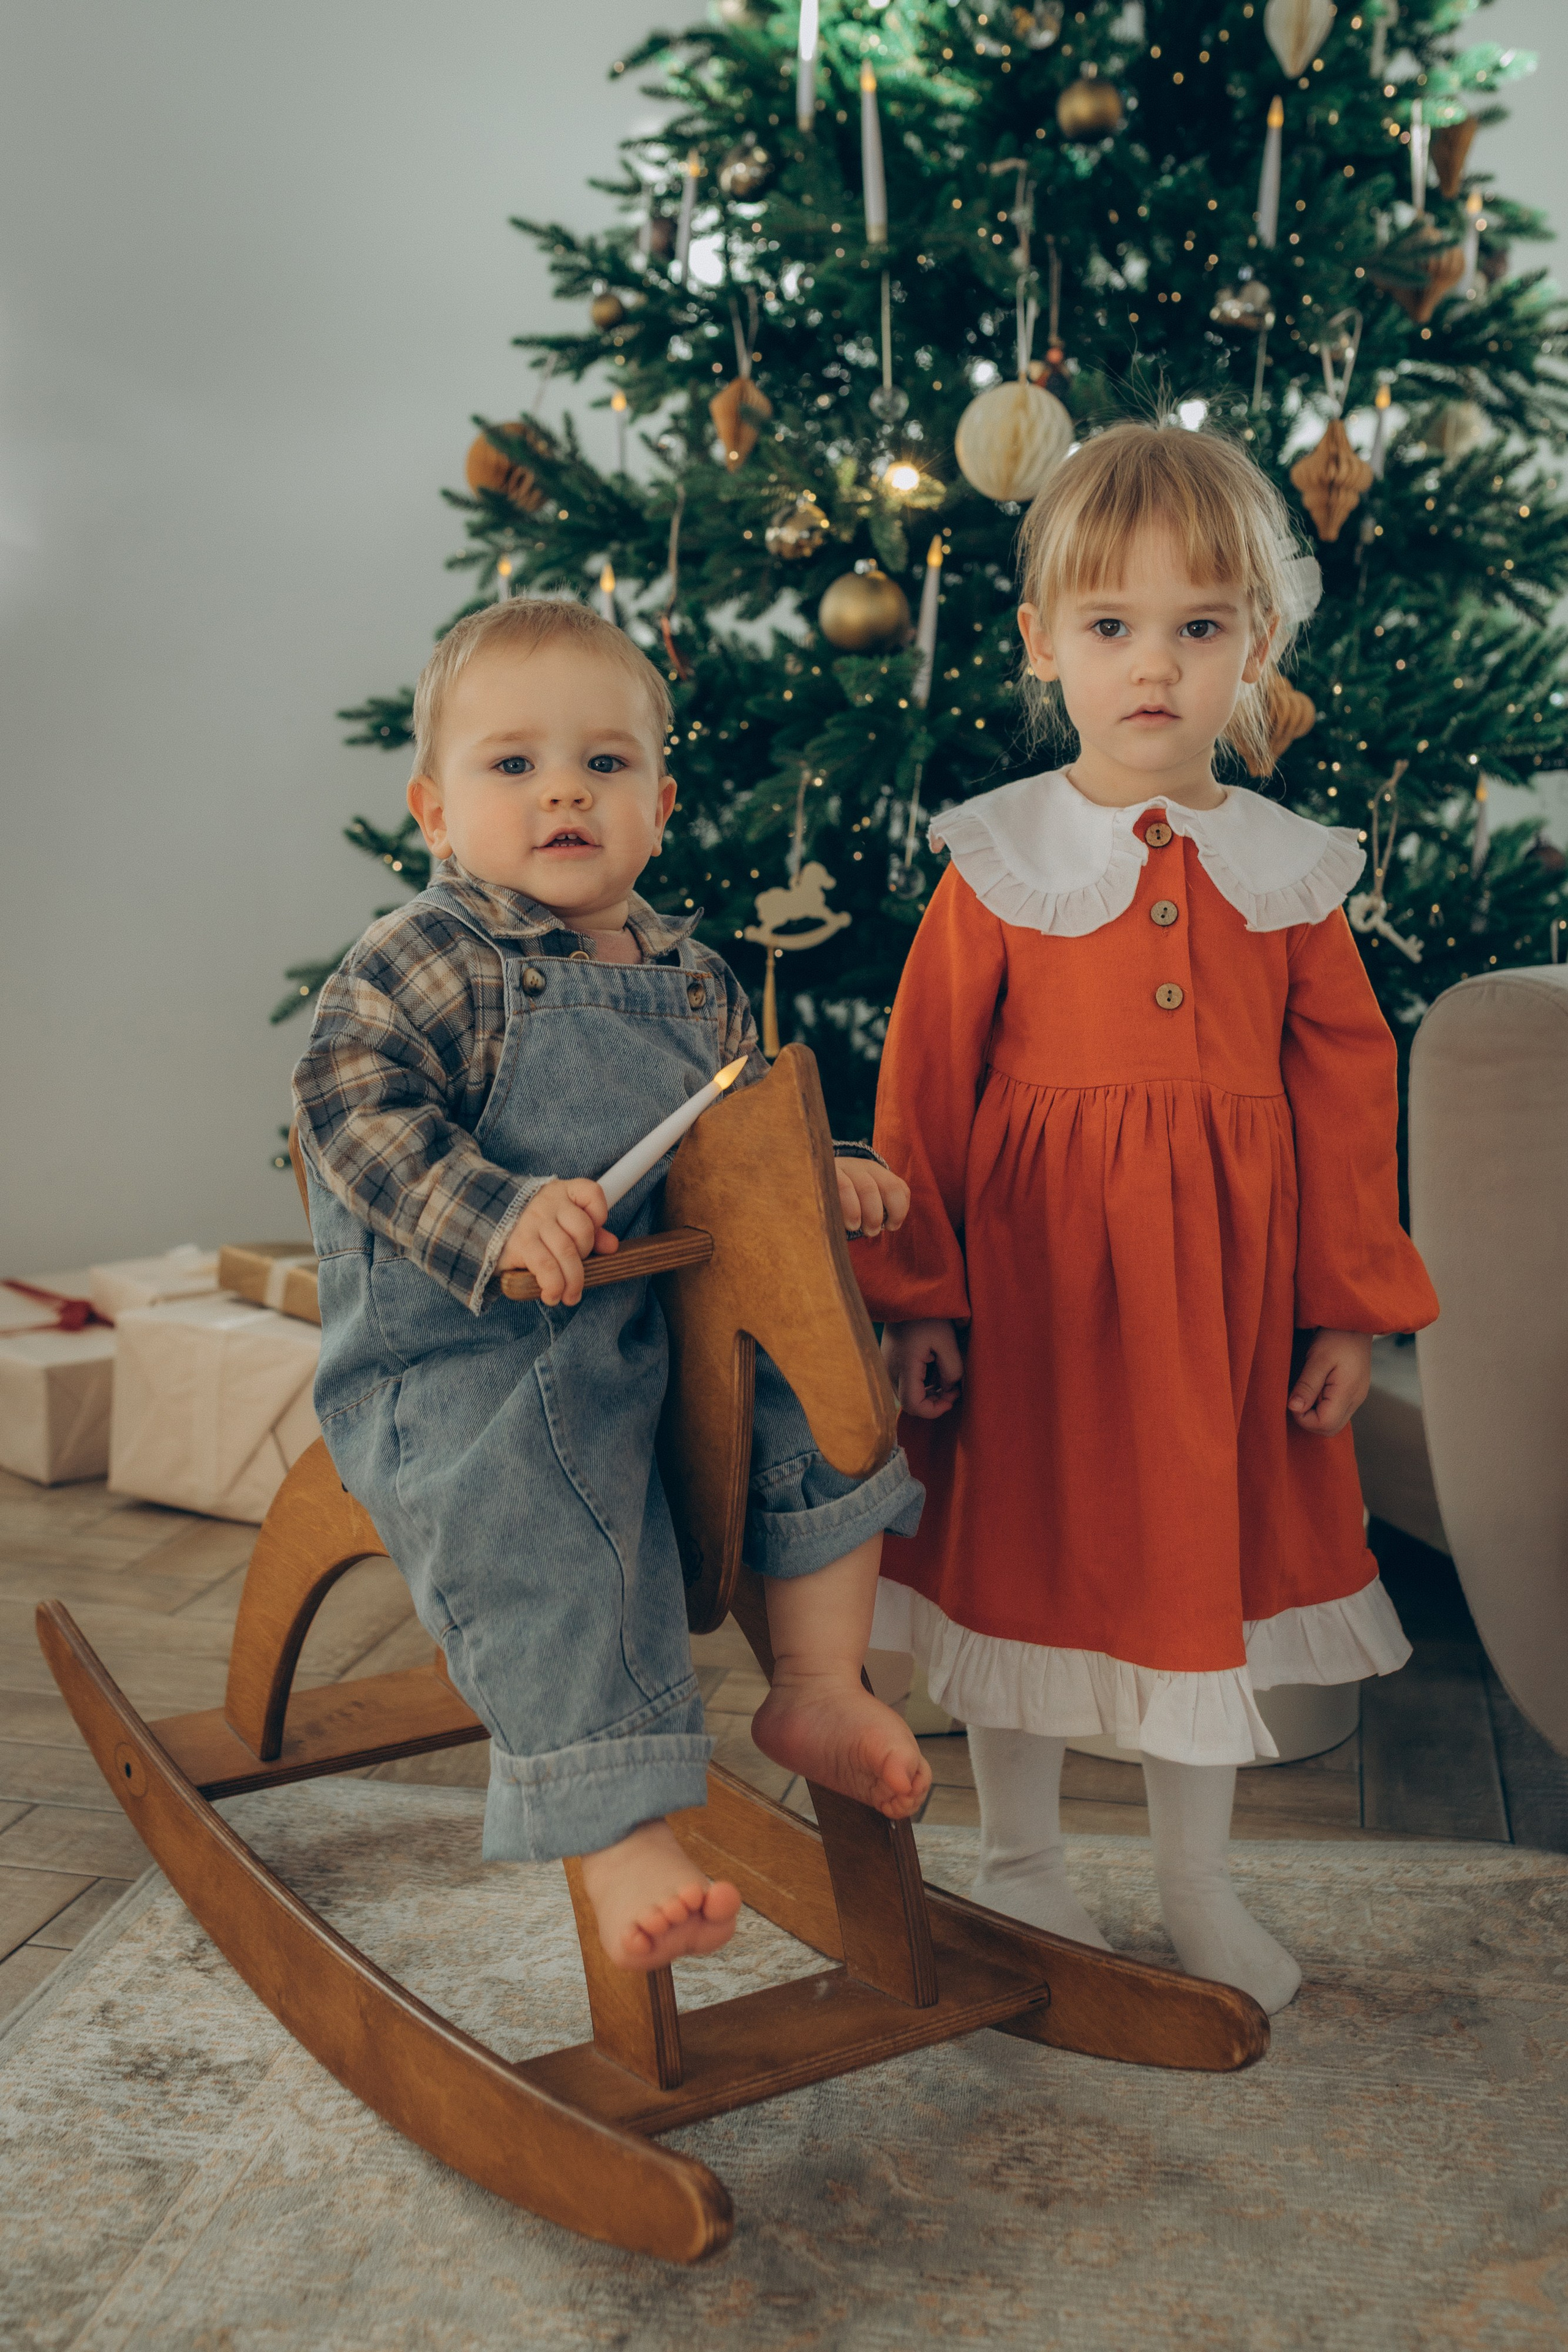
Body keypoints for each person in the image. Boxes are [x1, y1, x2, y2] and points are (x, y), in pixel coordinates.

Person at [853, 420, 1438, 2015]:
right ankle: (1020, 1866)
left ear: (1260, 642)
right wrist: (924, 1301)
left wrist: (1342, 1309)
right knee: (1020, 1560)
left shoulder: (1289, 873)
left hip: (1223, 1315)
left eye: (1201, 628)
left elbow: (1346, 1094)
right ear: (1045, 642)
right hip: (1041, 1300)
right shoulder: (1002, 862)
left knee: (1207, 1574)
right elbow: (925, 1098)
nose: (1156, 669)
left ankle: (1196, 1885)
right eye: (1113, 627)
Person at [293, 598, 928, 1975]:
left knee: (820, 1394)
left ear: (659, 804)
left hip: (668, 1315)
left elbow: (731, 1138)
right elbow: (345, 1105)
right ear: (435, 812)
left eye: (606, 764)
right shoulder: (429, 955)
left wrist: (825, 1170)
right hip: (466, 1350)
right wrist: (500, 1211)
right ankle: (614, 1829)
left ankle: (818, 1684)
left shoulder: (695, 981)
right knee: (548, 1492)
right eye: (512, 765)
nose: (564, 790)